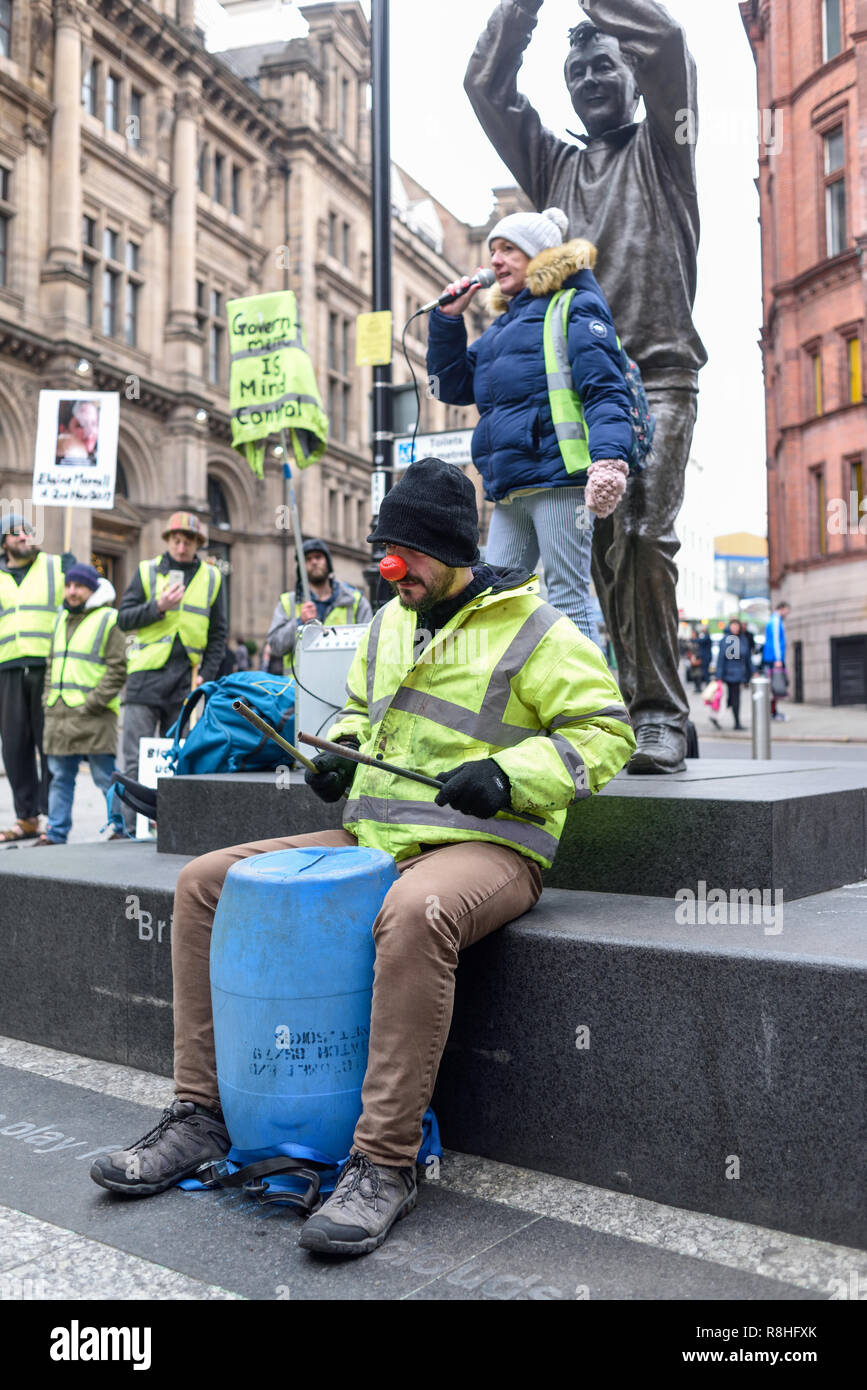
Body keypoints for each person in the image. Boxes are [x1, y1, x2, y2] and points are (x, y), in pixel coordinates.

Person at [90, 457, 636, 1257]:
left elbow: (606, 733)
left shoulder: (536, 626)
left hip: (487, 846)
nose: (389, 567)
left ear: (451, 550)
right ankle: (201, 1117)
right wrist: (339, 754)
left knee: (415, 913)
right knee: (205, 882)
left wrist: (508, 774)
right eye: (383, 548)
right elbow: (354, 713)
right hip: (374, 835)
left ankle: (385, 1160)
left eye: (404, 552)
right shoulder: (387, 620)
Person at [465, 0, 707, 772]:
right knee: (594, 556)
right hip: (581, 391)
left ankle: (659, 714)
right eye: (576, 72)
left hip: (657, 377)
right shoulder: (553, 169)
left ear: (633, 78)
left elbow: (665, 40)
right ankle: (607, 708)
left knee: (638, 535)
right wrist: (522, 8)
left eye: (605, 63)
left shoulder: (666, 147)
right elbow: (485, 86)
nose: (590, 78)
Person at [427, 206, 633, 647]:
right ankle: (512, 710)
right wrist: (447, 321)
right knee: (492, 603)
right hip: (509, 486)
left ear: (540, 255)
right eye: (493, 250)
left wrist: (610, 458)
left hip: (559, 479)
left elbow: (605, 388)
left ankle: (590, 713)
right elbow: (448, 385)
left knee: (566, 599)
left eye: (509, 249)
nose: (496, 260)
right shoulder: (499, 331)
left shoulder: (574, 306)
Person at [116, 512, 227, 833]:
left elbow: (219, 632)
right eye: (176, 540)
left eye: (188, 541)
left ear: (197, 544)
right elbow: (123, 619)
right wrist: (158, 607)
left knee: (177, 758)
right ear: (167, 541)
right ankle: (123, 827)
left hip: (187, 679)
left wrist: (207, 673)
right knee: (135, 757)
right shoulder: (146, 571)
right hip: (145, 678)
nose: (181, 547)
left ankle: (168, 826)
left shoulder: (212, 577)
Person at [37, 564, 127, 845]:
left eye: (79, 586)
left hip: (94, 715)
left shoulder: (110, 618)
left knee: (104, 777)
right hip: (59, 713)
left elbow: (118, 668)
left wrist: (93, 703)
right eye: (69, 585)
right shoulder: (59, 618)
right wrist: (47, 698)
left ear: (92, 589)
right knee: (60, 778)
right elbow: (52, 664)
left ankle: (119, 829)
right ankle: (55, 833)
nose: (72, 591)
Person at [0, 513, 73, 843]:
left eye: (28, 531)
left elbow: (85, 590)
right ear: (4, 542)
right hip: (8, 669)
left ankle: (51, 814)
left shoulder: (55, 566)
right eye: (16, 533)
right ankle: (26, 817)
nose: (24, 537)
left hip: (47, 668)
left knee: (50, 743)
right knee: (15, 746)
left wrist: (73, 566)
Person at [266, 538, 372, 673]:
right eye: (308, 559)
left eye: (318, 557)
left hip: (344, 687)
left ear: (328, 561)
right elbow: (275, 645)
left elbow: (370, 645)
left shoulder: (355, 601)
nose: (314, 562)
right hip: (298, 690)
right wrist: (299, 622)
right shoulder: (288, 602)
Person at [711, 618, 751, 732]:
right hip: (729, 674)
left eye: (737, 626)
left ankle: (715, 716)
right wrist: (718, 675)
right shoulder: (726, 640)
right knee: (734, 699)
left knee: (731, 699)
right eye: (733, 626)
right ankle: (736, 722)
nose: (735, 628)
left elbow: (747, 658)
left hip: (740, 674)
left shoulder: (743, 639)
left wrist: (753, 672)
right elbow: (721, 658)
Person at [763, 601, 790, 720]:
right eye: (787, 611)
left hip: (773, 658)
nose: (787, 614)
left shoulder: (775, 620)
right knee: (776, 687)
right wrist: (778, 659)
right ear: (782, 608)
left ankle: (773, 712)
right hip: (774, 659)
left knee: (776, 687)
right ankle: (772, 712)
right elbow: (775, 641)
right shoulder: (775, 621)